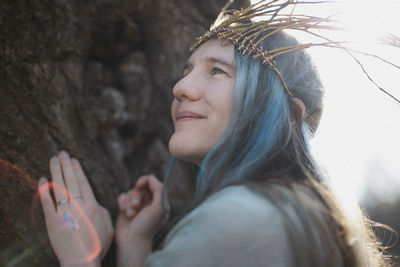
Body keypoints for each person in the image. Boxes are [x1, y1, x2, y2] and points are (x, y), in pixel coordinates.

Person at [38, 2, 391, 266]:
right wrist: (136, 246)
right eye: (186, 70)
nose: (180, 87)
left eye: (218, 72)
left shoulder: (240, 219)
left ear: (288, 116)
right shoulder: (297, 216)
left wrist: (81, 259)